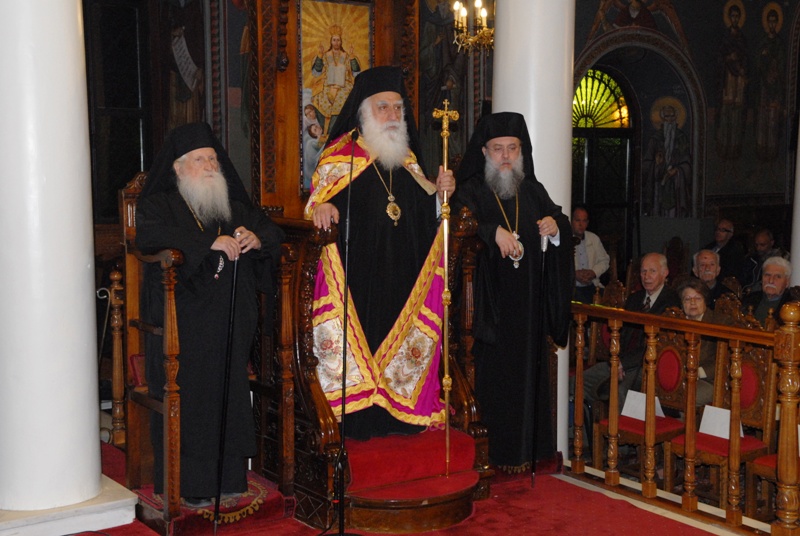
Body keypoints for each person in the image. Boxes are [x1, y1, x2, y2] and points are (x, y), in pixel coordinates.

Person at [136, 122, 285, 506]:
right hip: (184, 320)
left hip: (232, 317)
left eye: (213, 159)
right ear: (178, 168)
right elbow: (148, 237)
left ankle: (231, 477)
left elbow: (272, 232)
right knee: (196, 398)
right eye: (200, 160)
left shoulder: (231, 205)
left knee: (231, 393)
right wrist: (208, 242)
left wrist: (257, 238)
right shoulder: (159, 205)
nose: (209, 166)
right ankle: (192, 485)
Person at [305, 66, 455, 440]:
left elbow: (425, 220)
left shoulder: (408, 161)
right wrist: (321, 207)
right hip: (357, 278)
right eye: (383, 107)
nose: (391, 115)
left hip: (401, 278)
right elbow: (317, 202)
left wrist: (439, 196)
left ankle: (398, 413)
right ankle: (355, 418)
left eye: (397, 108)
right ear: (363, 112)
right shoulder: (340, 158)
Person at [454, 112, 574, 471]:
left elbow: (560, 221)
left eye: (512, 148)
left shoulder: (532, 190)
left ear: (522, 151)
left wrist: (555, 227)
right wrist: (491, 232)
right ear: (484, 152)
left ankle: (528, 453)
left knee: (526, 381)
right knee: (495, 383)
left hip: (529, 307)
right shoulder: (471, 189)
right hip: (489, 309)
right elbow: (457, 226)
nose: (505, 156)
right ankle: (494, 456)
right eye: (498, 149)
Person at [581, 253, 681, 411]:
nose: (646, 276)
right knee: (578, 382)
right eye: (643, 271)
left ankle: (619, 427)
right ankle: (584, 424)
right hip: (620, 360)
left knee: (619, 392)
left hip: (646, 365)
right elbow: (620, 333)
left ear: (665, 273)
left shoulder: (672, 302)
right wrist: (616, 358)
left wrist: (623, 363)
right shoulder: (635, 298)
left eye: (652, 271)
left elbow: (657, 345)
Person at [676, 278, 732, 407]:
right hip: (679, 376)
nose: (693, 303)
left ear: (705, 301)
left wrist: (698, 372)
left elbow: (725, 359)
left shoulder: (720, 323)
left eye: (698, 298)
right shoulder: (675, 321)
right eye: (687, 299)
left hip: (710, 379)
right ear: (682, 304)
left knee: (686, 396)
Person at [311, 24, 362, 135]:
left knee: (343, 100)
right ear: (331, 41)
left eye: (338, 40)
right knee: (320, 99)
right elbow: (316, 72)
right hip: (327, 86)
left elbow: (356, 72)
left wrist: (352, 57)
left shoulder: (346, 56)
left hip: (344, 86)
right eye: (334, 40)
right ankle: (325, 132)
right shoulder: (326, 55)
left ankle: (339, 132)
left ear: (341, 41)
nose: (336, 43)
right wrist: (319, 56)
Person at [572, 204, 610, 304]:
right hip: (573, 287)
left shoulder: (593, 239)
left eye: (584, 221)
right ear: (571, 221)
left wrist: (593, 272)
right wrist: (574, 274)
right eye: (577, 220)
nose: (581, 224)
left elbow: (605, 260)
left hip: (592, 285)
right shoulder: (564, 240)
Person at [742, 256, 792, 325]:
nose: (771, 281)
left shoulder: (792, 306)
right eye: (767, 275)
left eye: (778, 277)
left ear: (787, 282)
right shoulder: (750, 299)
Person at [703, 218, 745, 282]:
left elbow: (729, 273)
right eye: (717, 229)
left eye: (722, 230)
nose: (718, 232)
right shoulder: (709, 247)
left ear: (730, 234)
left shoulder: (734, 251)